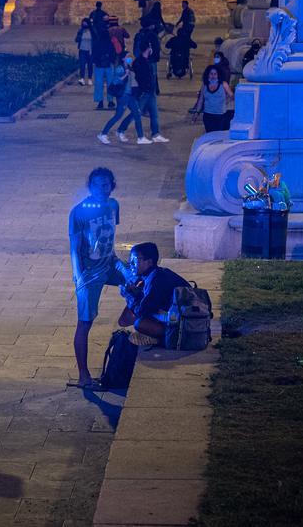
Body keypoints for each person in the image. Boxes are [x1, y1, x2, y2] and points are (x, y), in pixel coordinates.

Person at [68, 168, 124, 388]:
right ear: (89, 187)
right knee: (85, 323)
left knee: (140, 283)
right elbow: (75, 247)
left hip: (110, 263)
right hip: (89, 272)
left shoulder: (113, 205)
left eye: (107, 184)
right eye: (98, 184)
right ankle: (84, 376)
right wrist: (78, 275)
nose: (103, 188)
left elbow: (108, 238)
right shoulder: (79, 212)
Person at [117, 242, 189, 346]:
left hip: (180, 320)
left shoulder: (156, 279)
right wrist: (135, 291)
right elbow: (124, 320)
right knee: (127, 316)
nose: (131, 264)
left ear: (149, 262)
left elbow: (142, 312)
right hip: (170, 312)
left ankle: (164, 337)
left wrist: (130, 295)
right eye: (130, 260)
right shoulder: (152, 274)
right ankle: (156, 331)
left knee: (140, 323)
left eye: (135, 260)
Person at [97, 54, 144, 143]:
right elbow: (115, 81)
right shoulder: (120, 68)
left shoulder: (130, 67)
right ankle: (103, 134)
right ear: (123, 59)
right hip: (123, 96)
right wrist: (125, 75)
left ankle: (126, 133)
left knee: (137, 113)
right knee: (118, 116)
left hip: (130, 95)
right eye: (127, 57)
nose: (130, 58)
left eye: (130, 56)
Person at [131, 41, 168, 143]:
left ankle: (155, 134)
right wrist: (143, 89)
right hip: (144, 93)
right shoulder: (139, 62)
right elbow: (139, 78)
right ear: (147, 49)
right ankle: (122, 130)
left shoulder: (148, 61)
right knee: (136, 114)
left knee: (154, 114)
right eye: (150, 47)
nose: (151, 49)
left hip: (150, 92)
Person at [191, 64, 233, 132]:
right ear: (208, 74)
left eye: (215, 74)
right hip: (208, 116)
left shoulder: (224, 84)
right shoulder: (204, 85)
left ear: (218, 75)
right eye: (211, 74)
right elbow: (201, 100)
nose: (213, 76)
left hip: (220, 116)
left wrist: (225, 102)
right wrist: (197, 113)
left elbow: (231, 96)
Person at [90, 24, 117, 108]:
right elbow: (114, 54)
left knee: (99, 84)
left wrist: (95, 61)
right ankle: (110, 101)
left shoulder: (97, 43)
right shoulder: (110, 43)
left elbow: (93, 55)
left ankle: (100, 101)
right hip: (109, 65)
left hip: (99, 66)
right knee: (110, 83)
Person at [75, 18, 95, 85]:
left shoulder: (92, 31)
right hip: (82, 50)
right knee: (82, 65)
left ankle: (89, 79)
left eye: (86, 22)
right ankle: (82, 78)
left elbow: (95, 40)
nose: (84, 24)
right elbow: (76, 40)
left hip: (90, 51)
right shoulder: (81, 30)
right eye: (83, 23)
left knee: (90, 65)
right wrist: (80, 36)